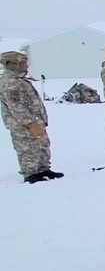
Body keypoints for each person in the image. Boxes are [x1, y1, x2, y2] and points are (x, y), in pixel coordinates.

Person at [0, 51, 63, 183]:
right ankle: (31, 172)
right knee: (27, 148)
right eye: (22, 63)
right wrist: (30, 123)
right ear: (10, 64)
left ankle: (43, 169)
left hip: (35, 121)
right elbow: (17, 107)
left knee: (41, 145)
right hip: (23, 124)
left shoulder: (20, 80)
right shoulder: (10, 83)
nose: (26, 66)